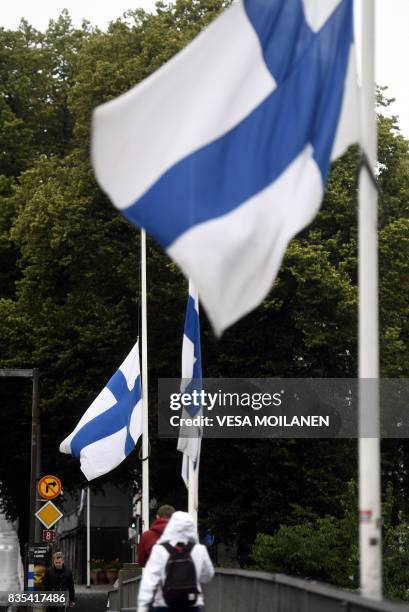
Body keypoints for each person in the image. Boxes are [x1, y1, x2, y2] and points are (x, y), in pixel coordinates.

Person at [137, 511, 214, 612]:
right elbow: (208, 575)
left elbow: (149, 581)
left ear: (171, 526)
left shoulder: (159, 550)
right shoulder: (200, 550)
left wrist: (142, 607)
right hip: (192, 605)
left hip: (163, 605)